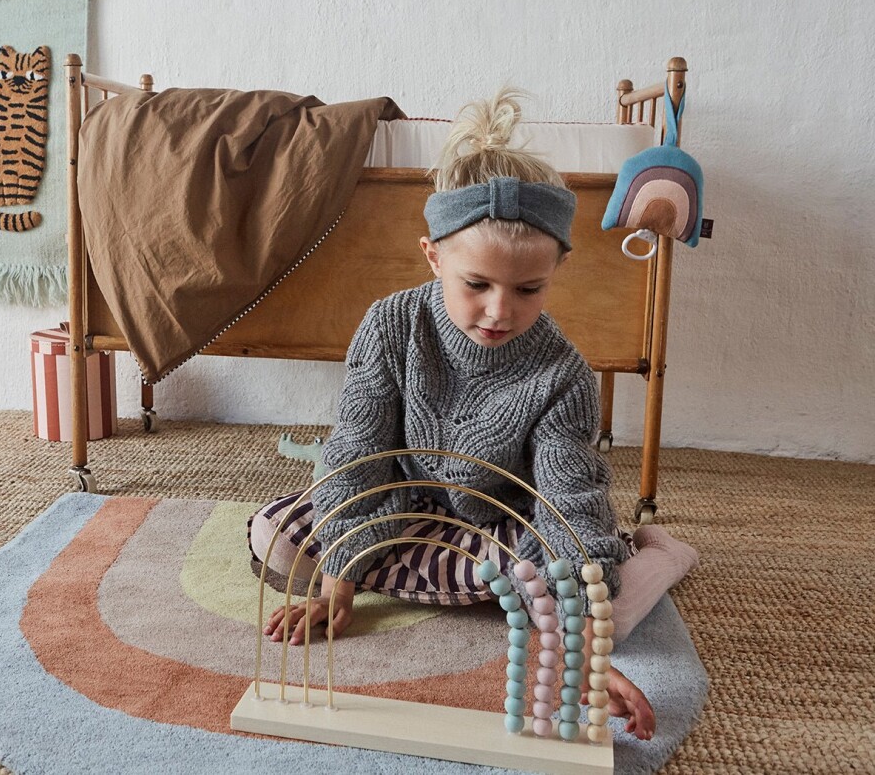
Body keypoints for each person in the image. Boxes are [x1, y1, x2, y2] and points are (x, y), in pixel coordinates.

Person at [248, 89, 699, 741]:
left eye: (528, 290)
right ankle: (454, 588)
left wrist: (581, 652)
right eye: (476, 285)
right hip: (402, 514)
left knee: (604, 600)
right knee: (278, 535)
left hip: (501, 529)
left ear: (556, 271)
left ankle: (657, 554)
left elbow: (566, 505)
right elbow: (355, 453)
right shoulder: (390, 326)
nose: (499, 311)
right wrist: (340, 585)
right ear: (435, 259)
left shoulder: (562, 374)